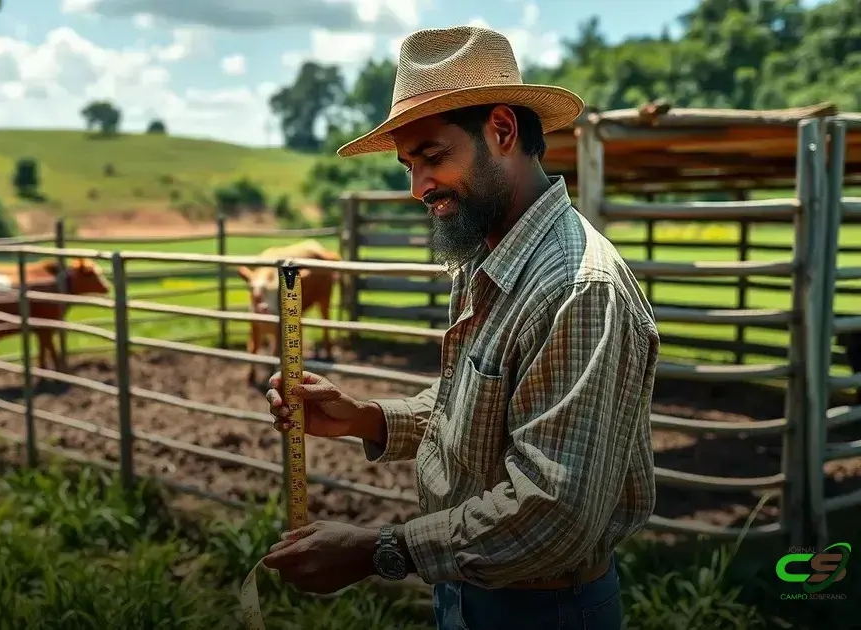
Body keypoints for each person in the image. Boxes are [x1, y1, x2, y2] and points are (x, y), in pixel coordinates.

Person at [259, 25, 661, 630]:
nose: (418, 188)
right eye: (407, 165)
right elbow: (476, 409)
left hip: (544, 607)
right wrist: (364, 417)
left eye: (432, 157)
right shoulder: (489, 254)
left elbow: (552, 514)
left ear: (501, 130)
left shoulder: (575, 290)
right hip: (474, 584)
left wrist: (378, 549)